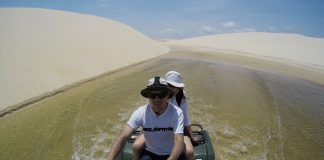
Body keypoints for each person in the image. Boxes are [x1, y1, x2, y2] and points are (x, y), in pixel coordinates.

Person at [107, 76, 185, 160]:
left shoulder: (177, 112)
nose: (156, 99)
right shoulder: (141, 112)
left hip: (171, 154)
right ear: (148, 96)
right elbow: (122, 137)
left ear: (167, 95)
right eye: (152, 95)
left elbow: (179, 141)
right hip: (150, 154)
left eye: (161, 95)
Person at [133, 71, 197, 160]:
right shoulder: (155, 97)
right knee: (136, 146)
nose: (174, 89)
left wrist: (191, 136)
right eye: (171, 86)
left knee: (189, 152)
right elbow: (147, 117)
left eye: (177, 87)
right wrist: (142, 133)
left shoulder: (181, 98)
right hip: (156, 131)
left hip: (177, 131)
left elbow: (185, 118)